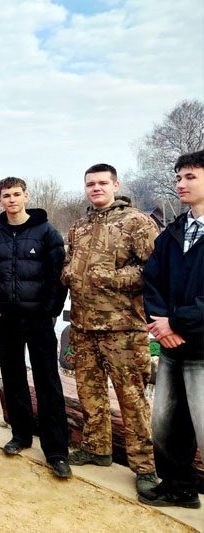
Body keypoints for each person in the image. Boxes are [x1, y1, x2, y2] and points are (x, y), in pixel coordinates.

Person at [61, 163, 159, 495]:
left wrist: (113, 278)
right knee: (90, 394)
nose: (96, 188)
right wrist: (68, 273)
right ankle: (97, 448)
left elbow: (153, 270)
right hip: (83, 325)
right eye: (91, 183)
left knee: (132, 399)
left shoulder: (137, 223)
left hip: (123, 329)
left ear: (115, 185)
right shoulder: (79, 226)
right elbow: (69, 262)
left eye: (103, 183)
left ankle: (144, 467)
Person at [0, 177, 71, 478]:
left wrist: (50, 311)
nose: (12, 200)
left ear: (26, 196)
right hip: (7, 319)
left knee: (47, 380)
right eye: (6, 195)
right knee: (13, 377)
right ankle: (20, 435)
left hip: (39, 319)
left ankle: (56, 450)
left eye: (17, 194)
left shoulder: (46, 232)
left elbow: (59, 276)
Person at [139, 150, 204, 509]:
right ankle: (179, 487)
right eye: (178, 177)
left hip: (201, 349)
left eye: (190, 176)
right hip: (171, 348)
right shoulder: (174, 232)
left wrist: (176, 323)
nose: (180, 184)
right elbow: (152, 280)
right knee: (165, 423)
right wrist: (162, 325)